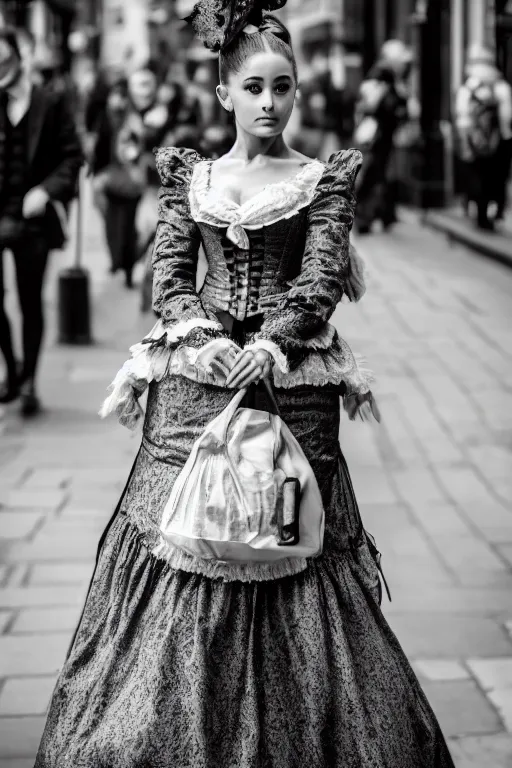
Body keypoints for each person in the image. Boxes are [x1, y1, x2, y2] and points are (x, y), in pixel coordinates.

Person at [34, 3, 455, 765]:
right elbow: (169, 274)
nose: (270, 102)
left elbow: (321, 277)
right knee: (181, 541)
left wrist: (267, 345)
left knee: (292, 543)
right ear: (224, 92)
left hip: (290, 384)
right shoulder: (189, 177)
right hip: (197, 386)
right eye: (254, 87)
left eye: (282, 87)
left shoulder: (322, 180)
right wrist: (198, 333)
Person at [0, 27, 82, 415]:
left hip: (32, 219)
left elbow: (72, 157)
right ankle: (12, 368)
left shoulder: (49, 102)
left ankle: (29, 380)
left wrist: (46, 190)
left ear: (19, 57)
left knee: (31, 300)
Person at [353, 39, 412, 233]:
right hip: (376, 138)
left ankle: (383, 214)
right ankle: (366, 216)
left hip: (384, 138)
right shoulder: (381, 82)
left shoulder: (391, 83)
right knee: (372, 175)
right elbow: (371, 107)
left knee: (382, 176)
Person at [455, 44, 512, 230]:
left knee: (477, 177)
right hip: (498, 141)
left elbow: (462, 119)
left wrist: (465, 141)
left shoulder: (467, 88)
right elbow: (507, 117)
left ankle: (480, 214)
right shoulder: (500, 86)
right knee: (496, 177)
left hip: (475, 141)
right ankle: (496, 211)